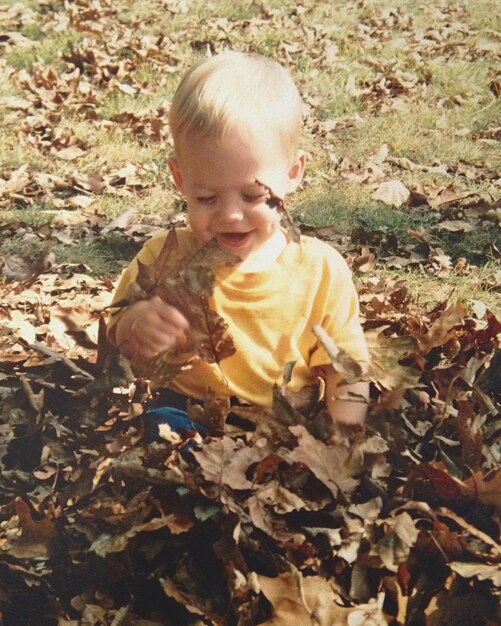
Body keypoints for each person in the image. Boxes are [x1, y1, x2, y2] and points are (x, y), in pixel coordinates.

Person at [107, 50, 369, 434]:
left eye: (253, 197)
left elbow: (346, 370)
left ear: (292, 174)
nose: (230, 215)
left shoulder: (320, 272)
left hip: (289, 422)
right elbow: (118, 332)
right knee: (159, 430)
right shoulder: (166, 256)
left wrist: (344, 440)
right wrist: (137, 324)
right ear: (180, 179)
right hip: (190, 409)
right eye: (207, 198)